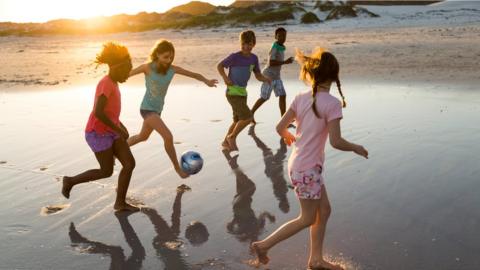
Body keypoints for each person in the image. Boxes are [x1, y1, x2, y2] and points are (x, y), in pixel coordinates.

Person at [251, 49, 369, 270]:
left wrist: (287, 135)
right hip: (308, 171)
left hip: (299, 166)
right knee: (306, 218)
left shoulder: (300, 97)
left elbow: (279, 127)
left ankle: (316, 260)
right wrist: (356, 147)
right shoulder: (332, 104)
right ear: (334, 76)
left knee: (324, 210)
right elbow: (336, 141)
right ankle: (264, 245)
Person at [62, 42, 138, 212]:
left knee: (129, 164)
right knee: (106, 171)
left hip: (112, 130)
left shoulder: (114, 82)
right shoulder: (106, 83)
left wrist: (121, 127)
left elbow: (111, 113)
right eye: (126, 70)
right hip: (98, 133)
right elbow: (98, 113)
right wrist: (119, 129)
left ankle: (120, 203)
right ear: (117, 67)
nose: (128, 74)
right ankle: (70, 181)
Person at [127, 40, 217, 178]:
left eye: (171, 57)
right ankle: (178, 169)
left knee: (142, 137)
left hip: (157, 110)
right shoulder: (147, 68)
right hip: (146, 109)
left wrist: (206, 81)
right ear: (157, 54)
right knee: (168, 136)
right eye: (165, 57)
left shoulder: (172, 69)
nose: (168, 60)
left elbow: (194, 74)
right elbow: (126, 75)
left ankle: (118, 149)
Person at [217, 30, 271, 151]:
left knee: (237, 120)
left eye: (249, 44)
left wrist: (265, 79)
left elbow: (257, 75)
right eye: (243, 44)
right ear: (240, 43)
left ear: (254, 44)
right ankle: (232, 137)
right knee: (247, 117)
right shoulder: (234, 57)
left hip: (242, 93)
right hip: (232, 93)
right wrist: (225, 78)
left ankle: (226, 142)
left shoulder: (253, 58)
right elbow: (219, 66)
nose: (246, 47)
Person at [251, 27, 294, 124]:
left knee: (283, 95)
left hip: (277, 76)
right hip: (268, 76)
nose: (283, 37)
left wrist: (285, 61)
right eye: (280, 36)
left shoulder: (281, 47)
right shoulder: (274, 47)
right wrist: (285, 62)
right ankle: (251, 114)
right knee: (264, 97)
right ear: (275, 36)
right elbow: (271, 62)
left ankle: (283, 120)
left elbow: (278, 61)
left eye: (284, 35)